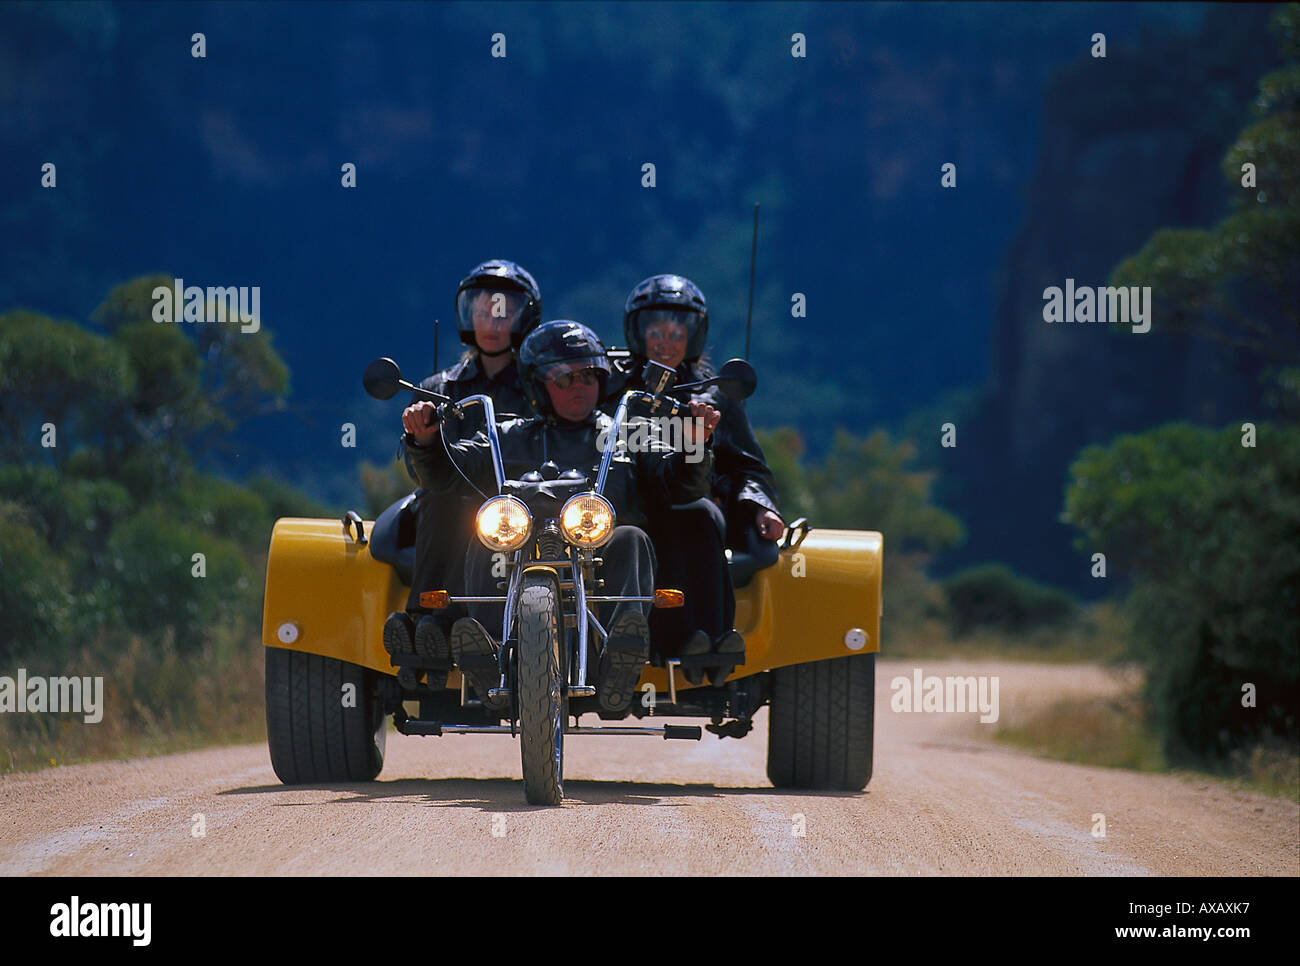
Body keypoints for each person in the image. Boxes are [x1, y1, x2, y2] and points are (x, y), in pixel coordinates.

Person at [402, 320, 720, 713]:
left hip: (598, 554)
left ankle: (621, 652)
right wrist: (426, 440)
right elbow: (448, 472)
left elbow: (681, 484)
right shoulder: (508, 434)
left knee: (632, 537)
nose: (580, 386)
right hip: (521, 549)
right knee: (485, 534)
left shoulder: (626, 433)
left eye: (589, 376)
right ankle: (487, 653)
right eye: (565, 378)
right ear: (538, 386)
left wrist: (695, 444)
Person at [606, 273, 786, 684]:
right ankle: (678, 638)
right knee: (664, 520)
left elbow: (749, 467)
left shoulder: (717, 395)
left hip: (696, 503)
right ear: (637, 333)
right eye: (655, 331)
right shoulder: (611, 387)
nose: (665, 342)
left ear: (694, 336)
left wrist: (761, 506)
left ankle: (717, 640)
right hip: (628, 505)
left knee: (700, 513)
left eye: (676, 332)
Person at [382, 259, 542, 674]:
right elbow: (419, 472)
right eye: (481, 310)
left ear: (526, 316)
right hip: (450, 503)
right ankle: (425, 626)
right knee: (440, 496)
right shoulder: (438, 389)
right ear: (467, 316)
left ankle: (463, 627)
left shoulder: (544, 388)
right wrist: (421, 437)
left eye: (503, 310)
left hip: (527, 506)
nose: (491, 320)